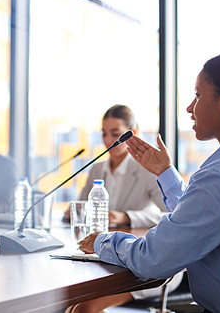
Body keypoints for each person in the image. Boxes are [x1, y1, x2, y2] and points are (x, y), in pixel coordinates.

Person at [79, 51, 220, 313]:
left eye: (197, 95)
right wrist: (165, 172)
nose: (190, 108)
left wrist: (102, 241)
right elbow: (203, 217)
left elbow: (153, 258)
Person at [65, 105, 183, 313]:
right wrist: (72, 212)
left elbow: (172, 214)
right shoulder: (97, 169)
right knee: (67, 302)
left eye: (115, 134)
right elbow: (82, 207)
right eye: (104, 133)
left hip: (142, 260)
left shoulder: (147, 168)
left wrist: (127, 217)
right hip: (103, 256)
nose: (108, 140)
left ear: (131, 133)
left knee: (84, 308)